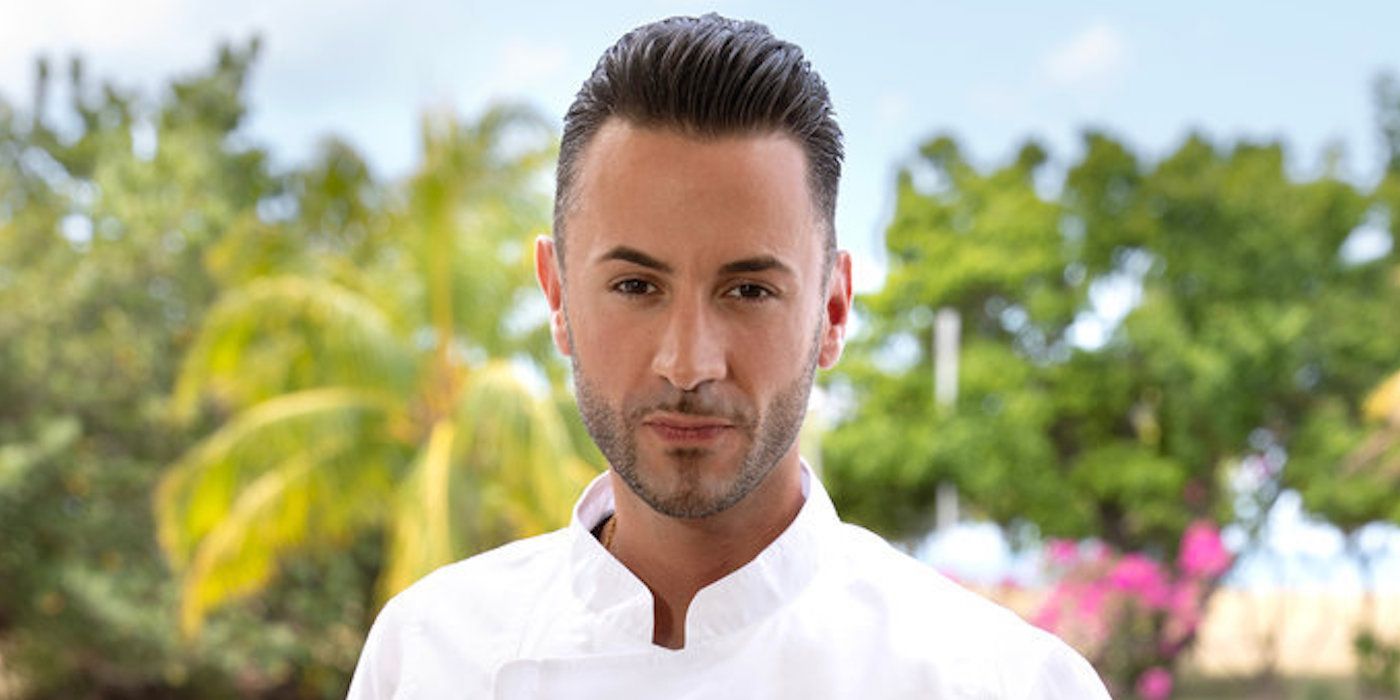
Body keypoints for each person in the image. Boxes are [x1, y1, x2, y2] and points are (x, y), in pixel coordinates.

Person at [347, 14, 1111, 698]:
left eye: (747, 290)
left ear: (833, 308)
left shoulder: (1004, 682)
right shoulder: (427, 657)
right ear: (557, 296)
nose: (688, 364)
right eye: (636, 284)